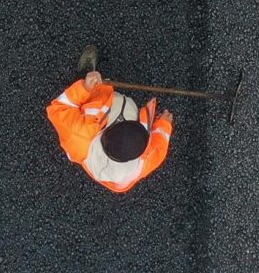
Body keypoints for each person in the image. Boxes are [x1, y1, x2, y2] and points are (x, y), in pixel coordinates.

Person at [47, 47, 173, 194]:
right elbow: (158, 149)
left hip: (93, 108)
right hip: (118, 112)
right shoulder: (137, 166)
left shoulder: (78, 134)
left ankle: (85, 75)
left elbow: (59, 108)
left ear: (108, 130)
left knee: (86, 88)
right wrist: (163, 125)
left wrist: (84, 88)